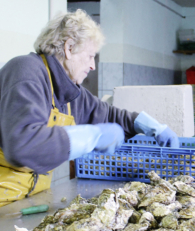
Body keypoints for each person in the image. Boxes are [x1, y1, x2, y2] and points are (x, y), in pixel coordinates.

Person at [0, 10, 179, 207]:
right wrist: (91, 136)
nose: (93, 66)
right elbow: (22, 144)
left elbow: (108, 114)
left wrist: (149, 125)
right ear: (69, 47)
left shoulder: (69, 91)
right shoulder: (25, 71)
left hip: (28, 201)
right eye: (90, 56)